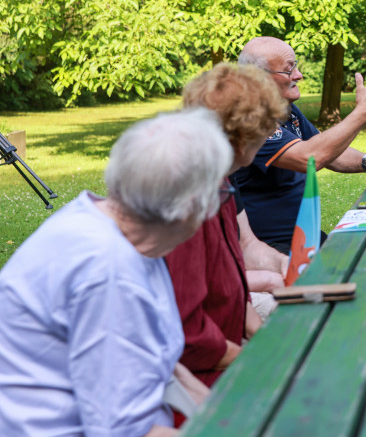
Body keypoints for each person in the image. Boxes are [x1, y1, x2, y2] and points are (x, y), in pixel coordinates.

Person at [0, 109, 226, 436]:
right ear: (189, 208)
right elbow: (123, 432)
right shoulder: (109, 272)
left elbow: (161, 369)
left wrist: (228, 420)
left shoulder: (106, 223)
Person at [167, 63, 292, 386]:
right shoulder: (187, 199)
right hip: (202, 375)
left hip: (228, 347)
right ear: (247, 135)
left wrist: (262, 337)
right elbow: (189, 336)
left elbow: (234, 289)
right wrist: (266, 359)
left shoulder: (219, 180)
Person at [234, 37, 366, 253]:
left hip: (304, 238)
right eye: (288, 69)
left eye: (296, 66)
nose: (299, 75)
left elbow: (330, 152)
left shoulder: (286, 110)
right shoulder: (248, 119)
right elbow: (310, 157)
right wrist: (362, 113)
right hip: (271, 248)